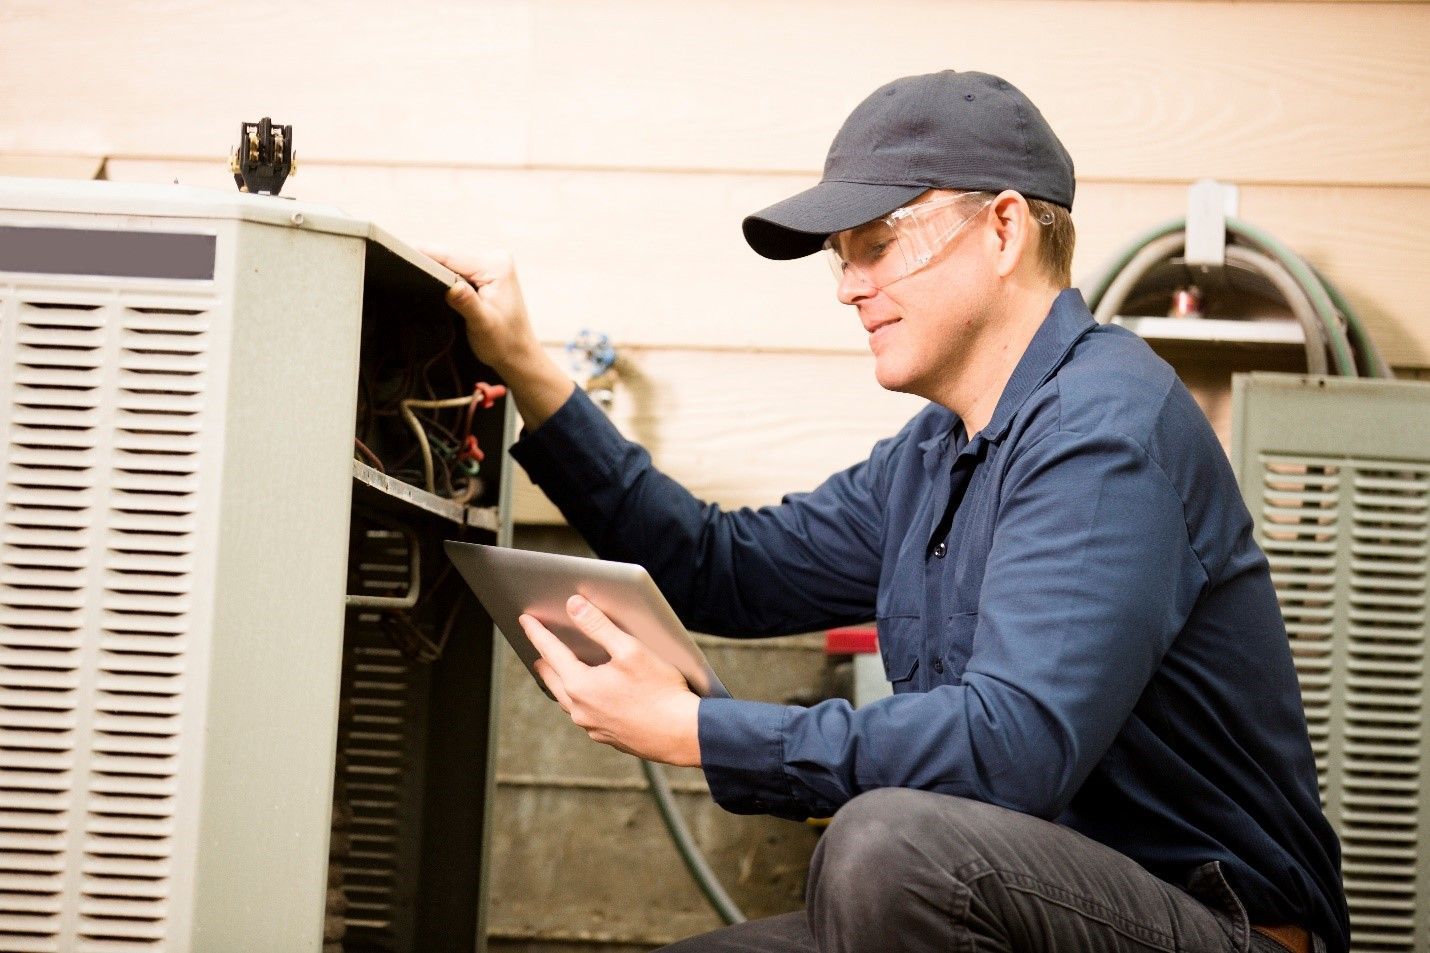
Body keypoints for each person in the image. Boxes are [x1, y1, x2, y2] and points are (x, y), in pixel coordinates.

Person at [430, 70, 1348, 953]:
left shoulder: (1106, 430)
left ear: (1002, 231)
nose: (848, 285)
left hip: (1213, 926)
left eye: (878, 243)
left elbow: (1015, 745)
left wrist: (698, 731)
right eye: (841, 257)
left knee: (886, 847)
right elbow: (725, 568)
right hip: (1005, 901)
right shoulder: (933, 453)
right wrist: (529, 369)